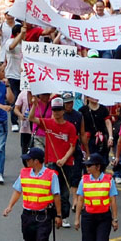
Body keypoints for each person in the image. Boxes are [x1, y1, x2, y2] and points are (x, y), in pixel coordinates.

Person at [2, 147, 61, 241]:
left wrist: (59, 215)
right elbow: (18, 191)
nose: (26, 161)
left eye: (29, 159)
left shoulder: (51, 175)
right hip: (28, 215)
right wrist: (10, 206)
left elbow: (56, 195)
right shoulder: (24, 173)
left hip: (43, 216)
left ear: (36, 161)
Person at [28, 95, 78, 229]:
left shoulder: (70, 127)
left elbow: (73, 146)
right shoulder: (47, 123)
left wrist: (64, 159)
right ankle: (53, 214)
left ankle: (64, 216)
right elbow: (31, 118)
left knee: (64, 191)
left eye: (58, 110)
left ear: (63, 111)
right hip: (51, 163)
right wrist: (34, 104)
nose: (56, 113)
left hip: (66, 164)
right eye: (54, 110)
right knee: (51, 191)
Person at [74, 153, 118, 241]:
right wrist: (77, 219)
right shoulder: (84, 180)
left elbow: (113, 201)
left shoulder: (108, 180)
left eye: (90, 165)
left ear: (98, 167)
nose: (87, 168)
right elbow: (80, 200)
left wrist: (114, 219)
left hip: (103, 217)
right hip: (88, 217)